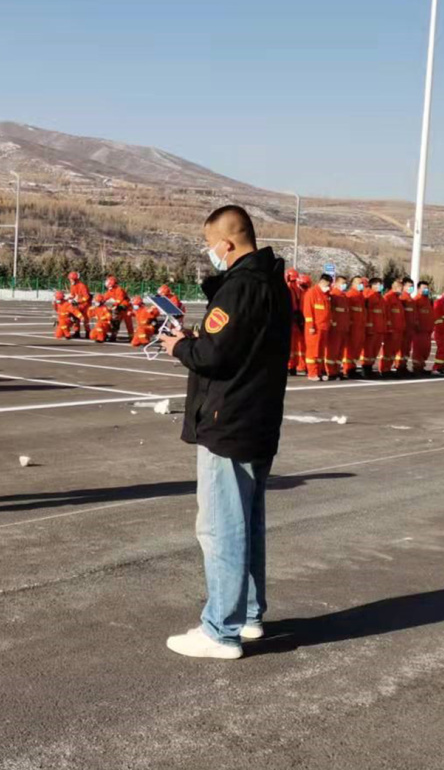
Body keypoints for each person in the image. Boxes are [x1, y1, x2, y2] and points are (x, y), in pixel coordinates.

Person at [158, 204, 290, 660]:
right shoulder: (273, 283)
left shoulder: (239, 287)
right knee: (247, 523)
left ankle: (220, 630)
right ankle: (248, 614)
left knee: (220, 528)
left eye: (209, 245)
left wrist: (180, 346)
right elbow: (236, 346)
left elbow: (213, 356)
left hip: (228, 421)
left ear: (226, 243)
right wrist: (200, 341)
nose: (209, 253)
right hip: (257, 418)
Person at [302, 274, 332, 381]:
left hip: (324, 327)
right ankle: (312, 373)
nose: (328, 286)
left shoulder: (326, 294)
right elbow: (308, 311)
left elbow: (327, 311)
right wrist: (311, 326)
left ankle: (319, 372)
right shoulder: (312, 293)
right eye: (327, 284)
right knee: (313, 351)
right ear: (322, 282)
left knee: (320, 352)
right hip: (315, 328)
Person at [343, 277, 368, 378]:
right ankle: (348, 369)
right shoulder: (350, 295)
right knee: (350, 349)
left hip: (360, 326)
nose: (361, 285)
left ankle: (352, 367)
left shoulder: (361, 296)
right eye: (359, 283)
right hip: (353, 327)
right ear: (353, 284)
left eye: (362, 283)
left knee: (357, 349)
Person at [379, 279, 406, 375]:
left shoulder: (397, 298)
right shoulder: (388, 297)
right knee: (388, 350)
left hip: (398, 329)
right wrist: (388, 326)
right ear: (395, 287)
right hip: (391, 330)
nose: (402, 290)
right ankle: (384, 369)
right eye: (401, 288)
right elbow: (386, 314)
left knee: (394, 350)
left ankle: (388, 368)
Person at [362, 277, 386, 378]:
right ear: (372, 285)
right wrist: (369, 326)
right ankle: (365, 369)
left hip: (379, 328)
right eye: (377, 284)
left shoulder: (380, 297)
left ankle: (370, 367)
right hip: (372, 328)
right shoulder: (369, 295)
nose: (379, 286)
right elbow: (367, 312)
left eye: (380, 284)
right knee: (368, 349)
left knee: (375, 350)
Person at [327, 275, 349, 380]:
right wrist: (333, 322)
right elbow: (330, 310)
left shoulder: (343, 295)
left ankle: (337, 370)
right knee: (333, 350)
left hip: (343, 326)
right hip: (336, 327)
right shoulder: (334, 295)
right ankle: (330, 371)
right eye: (342, 283)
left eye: (345, 283)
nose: (344, 285)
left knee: (340, 351)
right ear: (336, 283)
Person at [411, 280, 435, 375]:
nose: (426, 290)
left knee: (425, 349)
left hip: (427, 330)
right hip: (419, 330)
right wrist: (416, 324)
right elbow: (414, 314)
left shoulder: (428, 300)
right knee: (418, 349)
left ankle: (421, 366)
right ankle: (417, 367)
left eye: (427, 288)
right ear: (418, 289)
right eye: (424, 288)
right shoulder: (416, 300)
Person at [283, 268, 304, 374]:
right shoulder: (289, 289)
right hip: (291, 317)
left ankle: (292, 365)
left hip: (294, 318)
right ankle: (290, 365)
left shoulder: (295, 289)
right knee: (291, 345)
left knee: (294, 345)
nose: (293, 282)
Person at [102, 275, 131, 342]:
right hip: (118, 308)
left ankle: (131, 337)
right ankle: (113, 335)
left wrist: (114, 305)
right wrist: (100, 301)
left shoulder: (119, 289)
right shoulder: (110, 290)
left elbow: (119, 299)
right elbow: (105, 297)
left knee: (128, 324)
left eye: (108, 282)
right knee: (115, 322)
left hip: (125, 308)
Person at [397, 277, 417, 376]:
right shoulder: (402, 298)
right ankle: (398, 366)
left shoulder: (411, 300)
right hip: (404, 328)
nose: (411, 288)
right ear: (403, 286)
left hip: (410, 329)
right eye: (409, 286)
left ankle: (403, 366)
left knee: (407, 349)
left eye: (412, 286)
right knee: (401, 348)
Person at [67, 271, 90, 336]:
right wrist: (68, 298)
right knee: (75, 316)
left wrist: (78, 301)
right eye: (70, 279)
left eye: (71, 279)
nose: (70, 280)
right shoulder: (72, 286)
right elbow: (72, 295)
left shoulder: (82, 286)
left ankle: (88, 332)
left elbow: (87, 297)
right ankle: (77, 331)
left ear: (75, 279)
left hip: (86, 304)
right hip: (79, 304)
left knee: (85, 319)